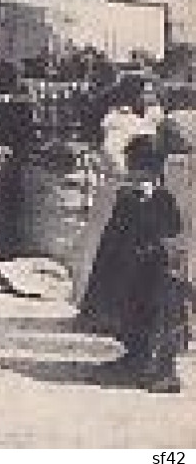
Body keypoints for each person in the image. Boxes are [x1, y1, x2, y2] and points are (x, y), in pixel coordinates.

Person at [88, 134, 186, 393]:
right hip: (130, 267)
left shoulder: (162, 197)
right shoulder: (126, 196)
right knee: (129, 313)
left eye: (139, 170)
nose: (134, 175)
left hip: (155, 269)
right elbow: (115, 233)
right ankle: (134, 358)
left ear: (153, 170)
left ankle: (159, 370)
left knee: (157, 318)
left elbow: (172, 228)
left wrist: (146, 204)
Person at [74, 74, 167, 320]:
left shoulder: (142, 119)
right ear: (134, 94)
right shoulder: (120, 121)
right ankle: (105, 308)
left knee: (121, 249)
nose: (151, 97)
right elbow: (112, 155)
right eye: (147, 92)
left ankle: (115, 307)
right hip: (121, 189)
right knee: (113, 248)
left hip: (128, 187)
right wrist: (132, 175)